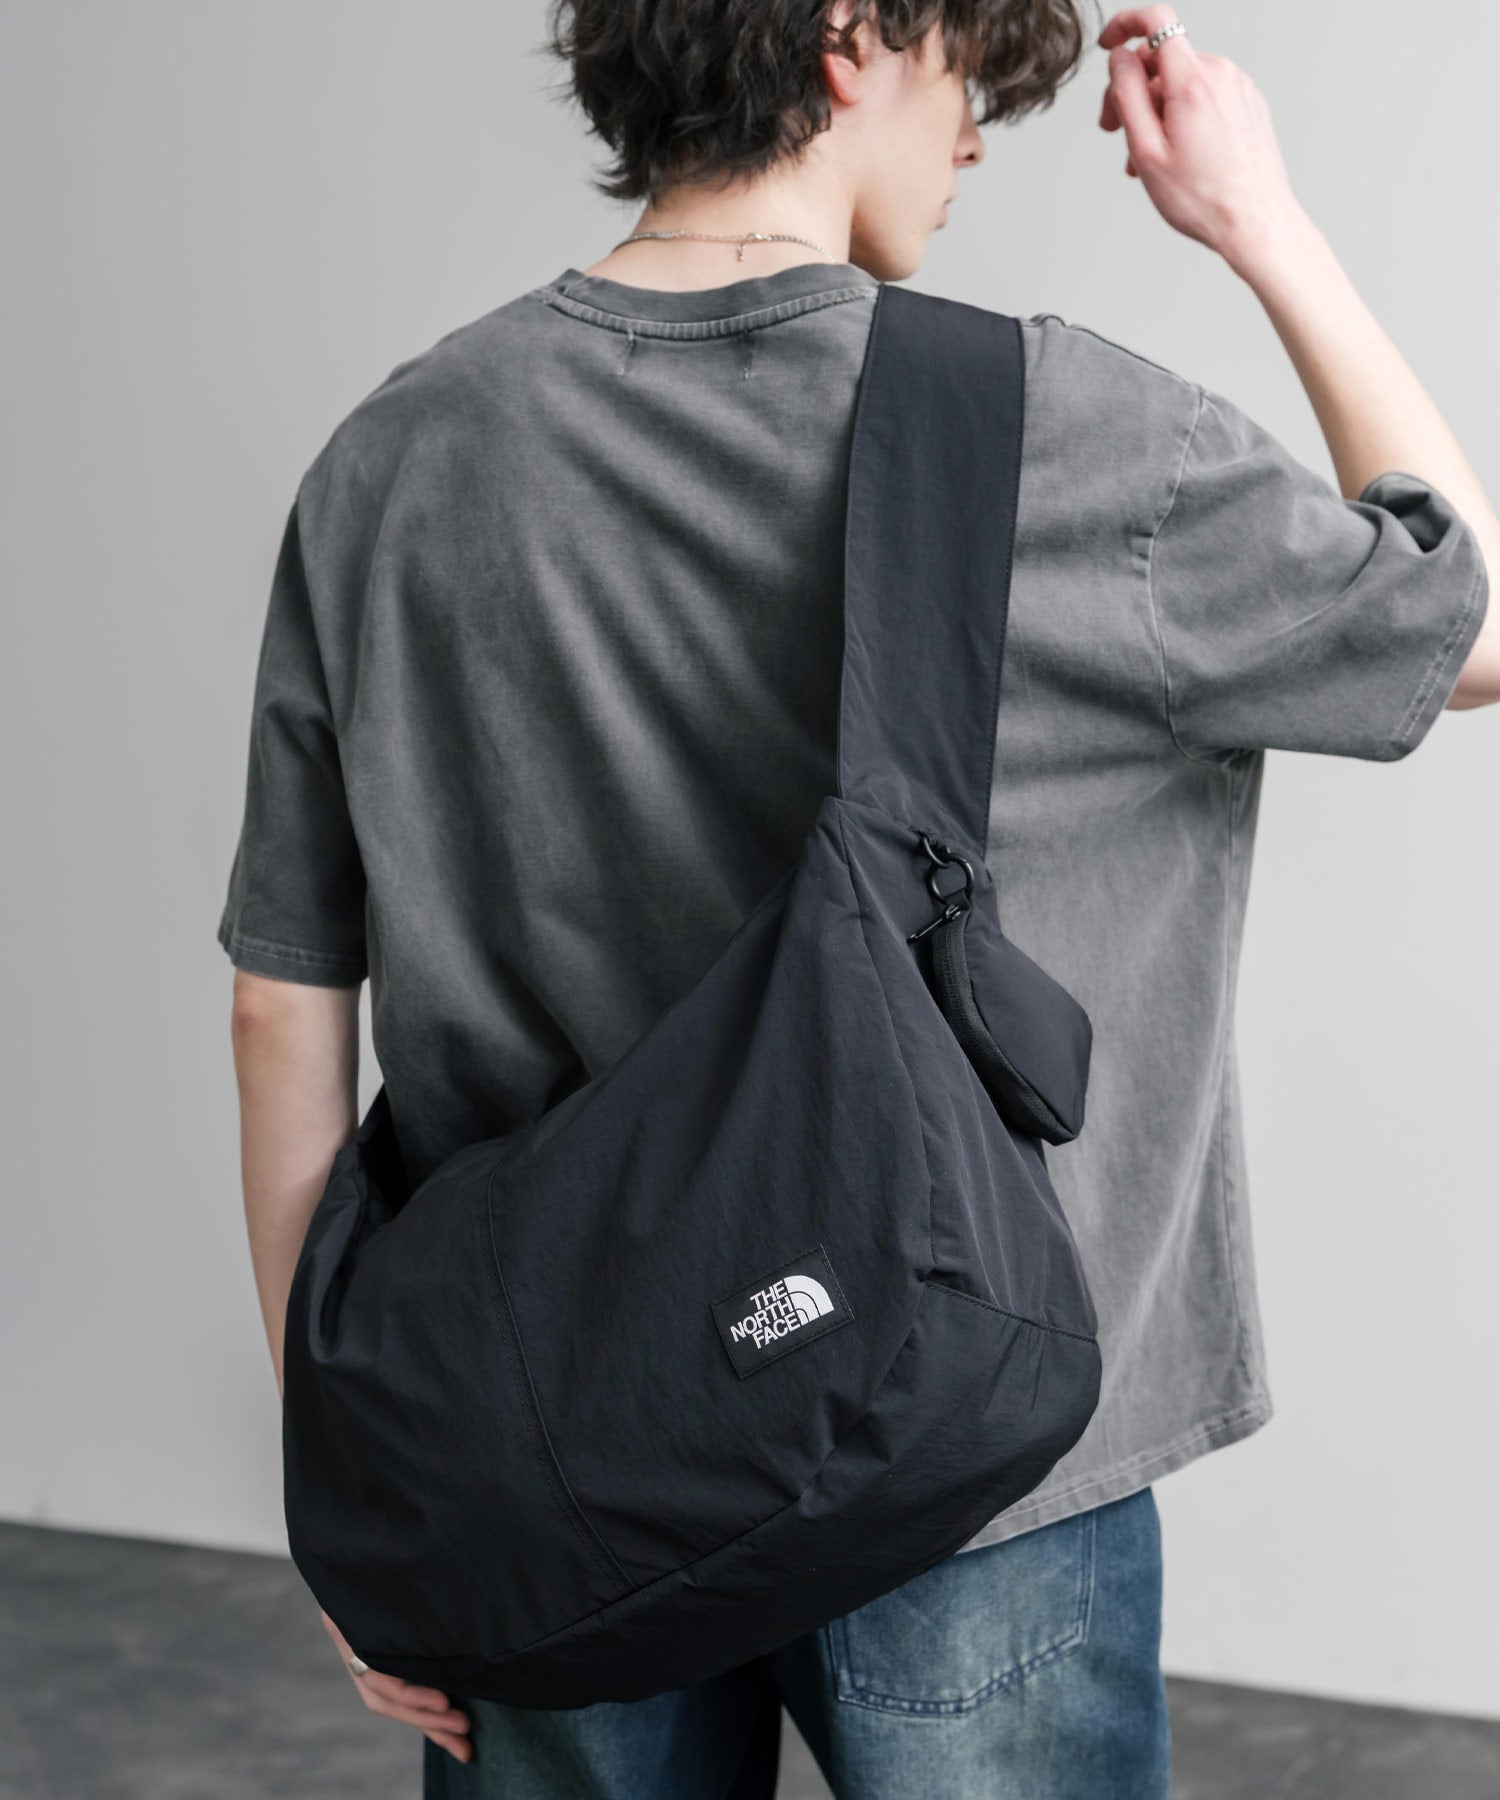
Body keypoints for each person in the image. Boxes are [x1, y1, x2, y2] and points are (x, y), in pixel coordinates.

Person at [219, 1, 1498, 1794]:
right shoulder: (1044, 426)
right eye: (965, 77)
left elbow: (281, 1001)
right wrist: (1258, 219)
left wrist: (360, 1504)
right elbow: (1466, 619)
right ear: (849, 43)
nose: (971, 140)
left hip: (548, 1459)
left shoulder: (391, 461)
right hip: (967, 1447)